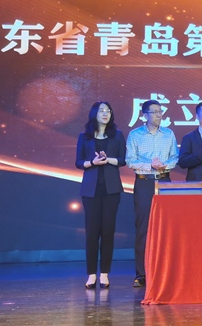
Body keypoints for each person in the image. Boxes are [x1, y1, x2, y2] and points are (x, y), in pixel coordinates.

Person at [125, 99, 178, 288]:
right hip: (144, 182)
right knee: (144, 227)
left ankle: (166, 271)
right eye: (154, 112)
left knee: (167, 227)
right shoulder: (135, 135)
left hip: (164, 181)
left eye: (160, 111)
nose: (158, 115)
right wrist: (150, 166)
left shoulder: (169, 134)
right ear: (145, 115)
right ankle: (142, 274)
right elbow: (130, 160)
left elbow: (175, 157)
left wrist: (165, 165)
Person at [75, 101, 126, 289]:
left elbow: (123, 160)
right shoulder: (85, 136)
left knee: (108, 231)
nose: (106, 114)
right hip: (91, 190)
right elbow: (78, 162)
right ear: (94, 114)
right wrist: (93, 163)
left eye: (108, 111)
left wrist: (107, 160)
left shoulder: (117, 135)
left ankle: (104, 273)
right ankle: (91, 274)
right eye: (102, 111)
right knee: (92, 232)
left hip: (112, 189)